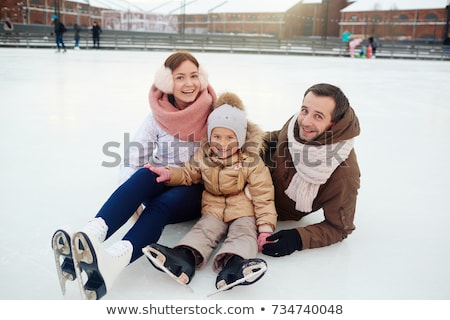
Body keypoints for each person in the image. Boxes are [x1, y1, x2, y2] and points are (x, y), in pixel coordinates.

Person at [51, 51, 217, 300]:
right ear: (168, 81)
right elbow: (132, 160)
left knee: (163, 203)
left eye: (194, 76)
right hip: (161, 179)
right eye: (180, 77)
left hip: (192, 188)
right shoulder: (157, 116)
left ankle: (116, 259)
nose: (189, 83)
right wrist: (131, 201)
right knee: (142, 175)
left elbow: (236, 141)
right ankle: (91, 235)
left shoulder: (214, 114)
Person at [142, 92, 277, 292]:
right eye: (217, 136)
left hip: (243, 210)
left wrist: (265, 227)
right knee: (203, 231)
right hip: (212, 208)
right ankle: (184, 259)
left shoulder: (251, 161)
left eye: (230, 137)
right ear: (210, 136)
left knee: (244, 233)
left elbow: (263, 195)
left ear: (240, 138)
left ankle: (235, 265)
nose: (223, 143)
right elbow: (188, 173)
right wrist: (170, 174)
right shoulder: (204, 156)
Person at [260, 83, 360, 258]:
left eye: (318, 116)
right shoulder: (295, 125)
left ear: (333, 123)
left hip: (268, 209)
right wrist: (249, 144)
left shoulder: (343, 173)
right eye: (304, 110)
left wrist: (298, 238)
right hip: (253, 177)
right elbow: (278, 136)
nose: (305, 121)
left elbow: (339, 228)